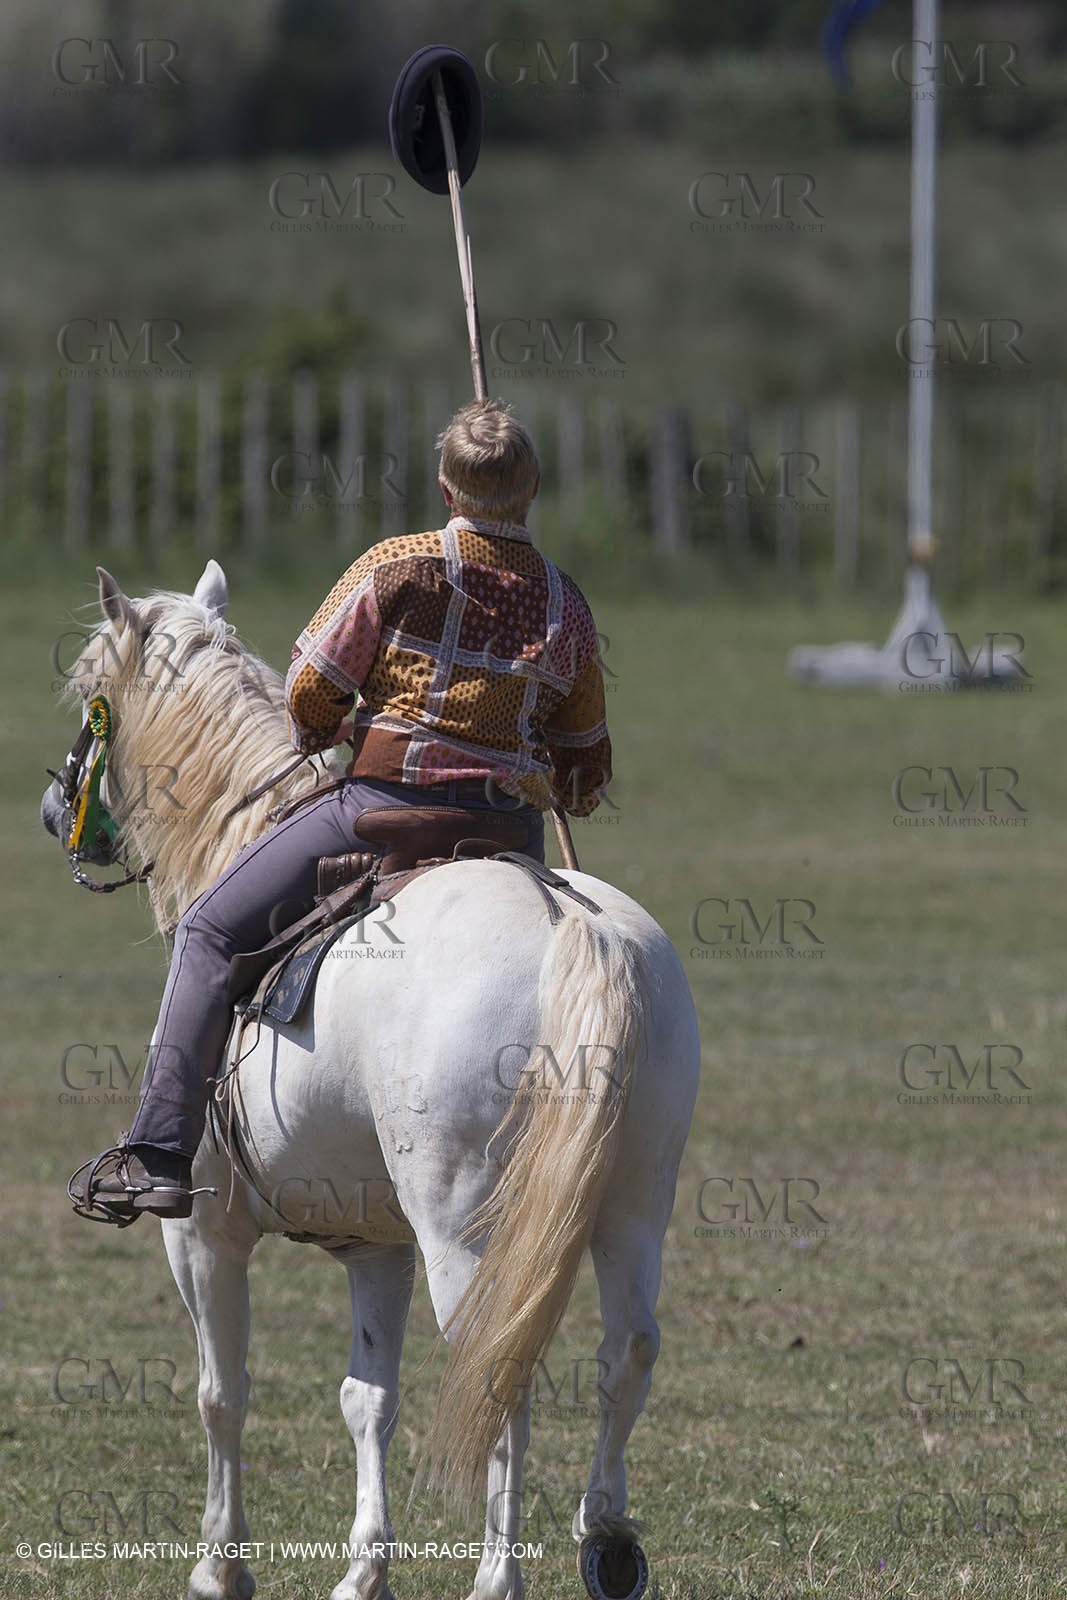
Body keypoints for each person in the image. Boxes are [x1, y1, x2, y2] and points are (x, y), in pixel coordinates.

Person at [72, 399, 612, 1223]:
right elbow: (586, 768)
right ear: (532, 486)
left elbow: (309, 685)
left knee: (210, 930)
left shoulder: (396, 566)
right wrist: (550, 768)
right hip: (507, 832)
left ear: (444, 486)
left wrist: (324, 732)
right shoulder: (564, 603)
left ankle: (157, 1152)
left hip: (381, 810)